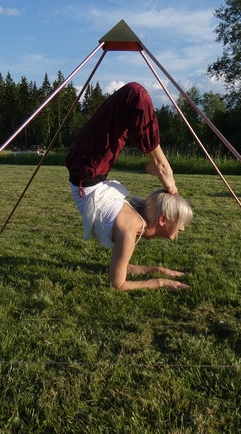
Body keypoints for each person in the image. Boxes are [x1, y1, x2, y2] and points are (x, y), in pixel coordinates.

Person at [66, 82, 193, 290]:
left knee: (133, 98)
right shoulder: (131, 228)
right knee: (135, 95)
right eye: (180, 221)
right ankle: (162, 166)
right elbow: (118, 284)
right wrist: (161, 281)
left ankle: (160, 165)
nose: (183, 227)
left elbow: (123, 265)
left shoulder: (134, 227)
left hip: (89, 170)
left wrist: (158, 269)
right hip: (88, 169)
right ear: (162, 220)